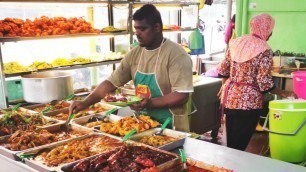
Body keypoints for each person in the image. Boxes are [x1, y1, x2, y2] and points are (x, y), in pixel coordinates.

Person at [69, 4, 193, 132]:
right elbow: (110, 83)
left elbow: (181, 95)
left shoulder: (176, 55)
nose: (137, 34)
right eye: (135, 29)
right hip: (142, 126)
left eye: (142, 29)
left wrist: (149, 103)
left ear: (157, 27)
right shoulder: (135, 54)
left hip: (171, 127)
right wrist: (85, 102)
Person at [217, 13, 296, 151]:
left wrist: (224, 86)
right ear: (266, 29)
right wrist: (284, 93)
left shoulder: (236, 42)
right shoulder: (264, 49)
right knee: (240, 144)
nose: (271, 33)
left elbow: (223, 69)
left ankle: (229, 166)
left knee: (231, 143)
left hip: (230, 99)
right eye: (271, 29)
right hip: (249, 104)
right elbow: (263, 81)